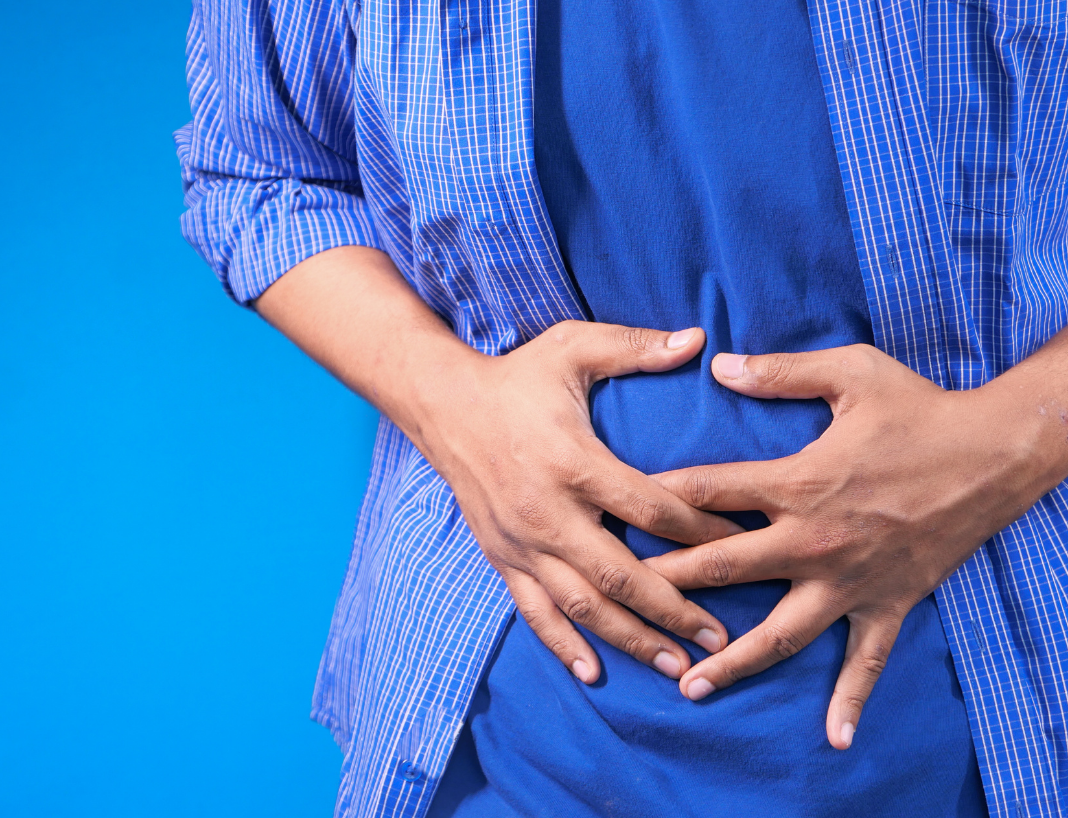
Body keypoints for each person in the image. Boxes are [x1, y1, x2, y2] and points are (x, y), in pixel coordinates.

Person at [176, 0, 1068, 815]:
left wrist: (1008, 445)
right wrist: (455, 406)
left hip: (988, 727)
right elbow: (261, 172)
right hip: (516, 743)